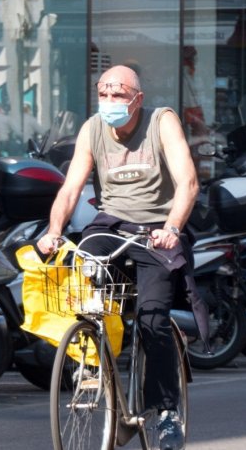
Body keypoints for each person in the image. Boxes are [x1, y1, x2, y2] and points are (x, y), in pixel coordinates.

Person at [37, 65, 200, 450]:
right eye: (104, 95)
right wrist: (54, 231)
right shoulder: (93, 128)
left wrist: (172, 228)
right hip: (110, 227)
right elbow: (70, 187)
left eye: (119, 96)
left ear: (137, 99)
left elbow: (188, 182)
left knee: (152, 320)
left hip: (156, 233)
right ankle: (94, 355)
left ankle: (165, 413)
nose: (110, 102)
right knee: (84, 267)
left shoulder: (162, 122)